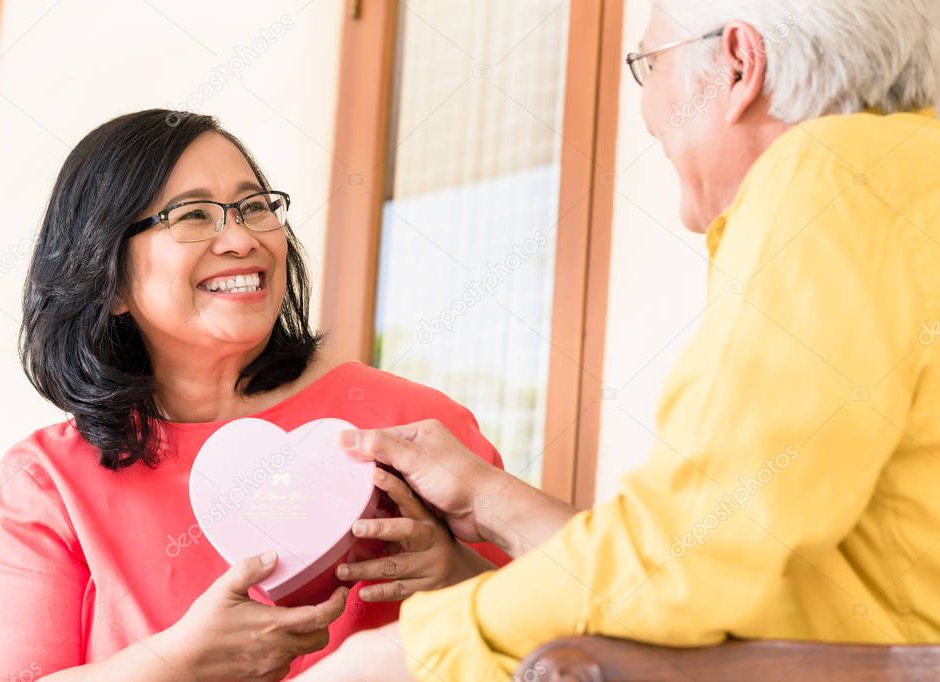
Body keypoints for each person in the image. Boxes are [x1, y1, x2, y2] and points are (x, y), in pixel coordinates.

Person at [296, 1, 940, 679]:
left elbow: (698, 558)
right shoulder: (899, 177)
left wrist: (408, 651)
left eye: (648, 65)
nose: (647, 113)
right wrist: (493, 501)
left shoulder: (833, 176)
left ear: (739, 65)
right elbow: (752, 563)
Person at [0, 109, 508, 681]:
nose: (243, 239)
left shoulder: (412, 424)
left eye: (255, 207)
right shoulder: (47, 480)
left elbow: (557, 626)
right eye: (193, 215)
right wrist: (182, 664)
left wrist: (454, 572)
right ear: (111, 279)